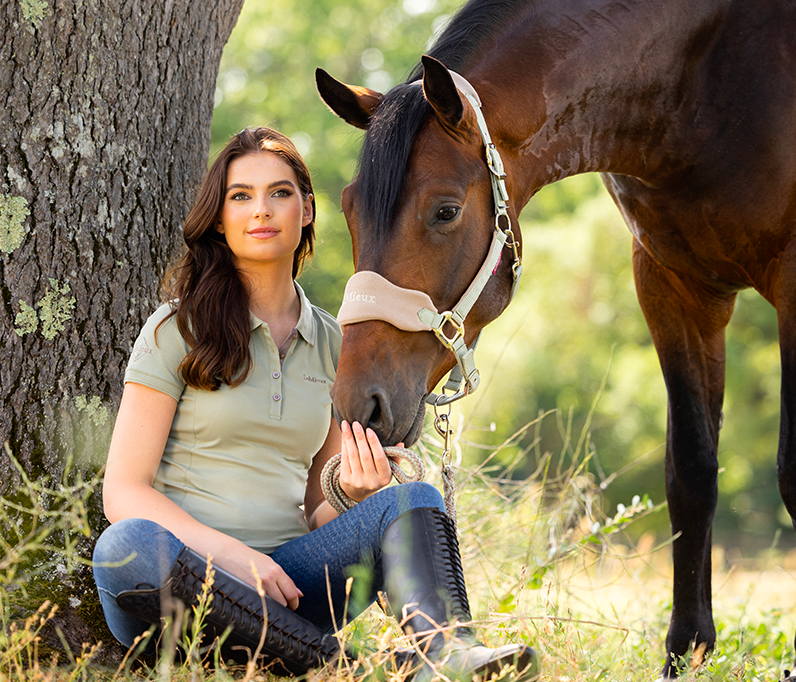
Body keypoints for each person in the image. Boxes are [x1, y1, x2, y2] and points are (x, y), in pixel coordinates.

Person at [92, 126, 540, 680]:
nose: (261, 210)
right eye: (241, 196)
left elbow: (315, 511)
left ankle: (444, 649)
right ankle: (349, 669)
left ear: (306, 209)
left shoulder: (336, 344)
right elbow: (124, 491)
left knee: (411, 499)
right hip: (181, 579)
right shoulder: (176, 329)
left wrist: (351, 493)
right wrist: (233, 559)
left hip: (290, 583)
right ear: (220, 217)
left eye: (279, 193)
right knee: (125, 546)